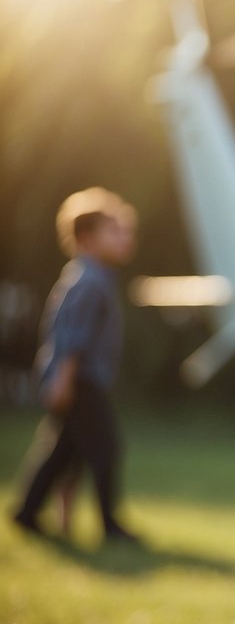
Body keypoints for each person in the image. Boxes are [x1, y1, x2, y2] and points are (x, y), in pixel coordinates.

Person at [11, 187, 140, 544]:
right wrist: (63, 380)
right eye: (114, 231)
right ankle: (110, 526)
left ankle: (27, 513)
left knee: (63, 450)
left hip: (77, 379)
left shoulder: (92, 277)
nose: (125, 238)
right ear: (85, 239)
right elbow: (71, 337)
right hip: (78, 380)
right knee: (106, 447)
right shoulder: (90, 281)